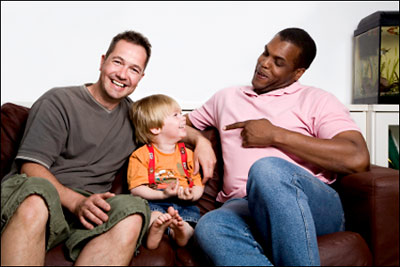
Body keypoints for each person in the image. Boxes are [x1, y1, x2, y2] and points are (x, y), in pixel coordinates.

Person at [0, 30, 214, 266]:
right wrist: (76, 202)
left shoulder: (133, 117)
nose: (122, 74)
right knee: (35, 197)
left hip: (91, 211)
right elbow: (30, 168)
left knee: (134, 211)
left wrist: (201, 141)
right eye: (118, 62)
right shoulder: (58, 101)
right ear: (103, 62)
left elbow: (165, 127)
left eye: (133, 69)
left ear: (141, 77)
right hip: (40, 196)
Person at [187, 28, 370, 266]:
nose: (264, 64)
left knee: (267, 170)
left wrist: (275, 135)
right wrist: (199, 140)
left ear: (297, 73)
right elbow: (178, 126)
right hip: (244, 206)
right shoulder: (227, 98)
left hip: (311, 205)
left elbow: (357, 158)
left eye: (278, 62)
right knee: (211, 225)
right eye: (265, 53)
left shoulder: (317, 100)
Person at [127, 94, 204, 250]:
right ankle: (154, 231)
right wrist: (163, 195)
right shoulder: (141, 155)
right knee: (153, 216)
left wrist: (192, 194)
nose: (183, 118)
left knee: (188, 223)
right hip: (154, 202)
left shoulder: (188, 154)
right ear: (155, 128)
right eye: (176, 115)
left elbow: (197, 183)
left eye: (181, 113)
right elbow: (136, 189)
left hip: (184, 206)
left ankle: (181, 233)